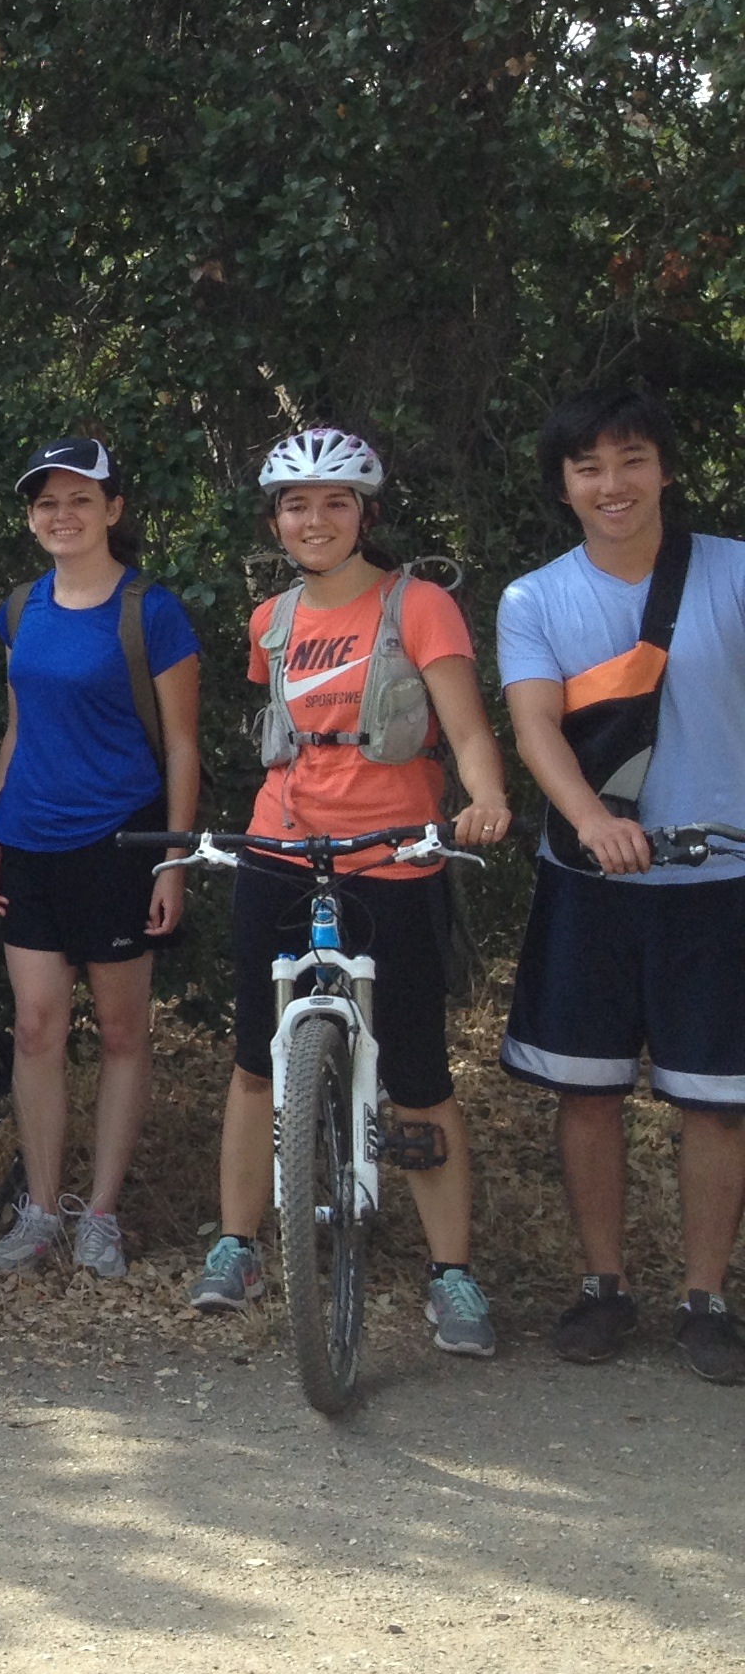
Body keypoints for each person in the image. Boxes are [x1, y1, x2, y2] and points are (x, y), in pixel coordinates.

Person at [188, 429, 514, 1352]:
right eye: (297, 504)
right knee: (258, 1059)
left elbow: (465, 727)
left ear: (365, 514)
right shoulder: (271, 621)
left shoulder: (419, 606)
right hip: (279, 850)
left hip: (394, 852)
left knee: (415, 1069)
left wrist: (486, 799)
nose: (315, 519)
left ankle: (454, 1274)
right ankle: (237, 1244)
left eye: (336, 502)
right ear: (276, 521)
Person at [496, 383, 745, 1378]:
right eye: (589, 466)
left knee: (719, 1102)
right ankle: (603, 1286)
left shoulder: (733, 574)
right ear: (564, 485)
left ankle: (707, 1298)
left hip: (723, 879)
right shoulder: (535, 598)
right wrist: (593, 822)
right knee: (587, 1094)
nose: (613, 484)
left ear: (666, 469)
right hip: (589, 883)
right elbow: (534, 727)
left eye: (631, 460)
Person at [0, 437, 203, 1277]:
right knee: (35, 1027)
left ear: (113, 509)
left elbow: (183, 746)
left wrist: (174, 859)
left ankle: (100, 1213)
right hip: (31, 838)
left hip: (123, 841)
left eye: (80, 499)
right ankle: (40, 1210)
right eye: (46, 503)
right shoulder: (20, 608)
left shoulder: (153, 611)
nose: (62, 515)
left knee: (119, 1031)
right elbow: (18, 726)